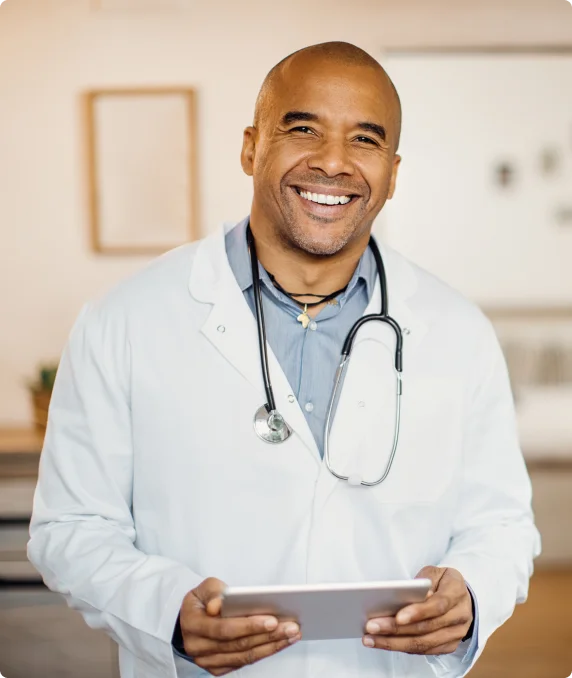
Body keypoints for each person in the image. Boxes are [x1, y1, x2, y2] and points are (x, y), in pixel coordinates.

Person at [28, 41, 540, 678]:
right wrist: (167, 611)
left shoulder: (457, 331)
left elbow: (503, 525)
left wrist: (471, 594)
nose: (333, 162)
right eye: (304, 129)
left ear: (394, 171)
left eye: (365, 140)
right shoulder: (124, 321)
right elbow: (71, 527)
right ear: (250, 147)